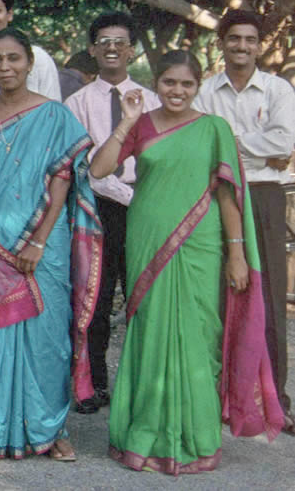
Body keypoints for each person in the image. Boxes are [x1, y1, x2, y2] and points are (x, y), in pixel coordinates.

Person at [94, 50, 284, 474]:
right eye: (169, 82)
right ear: (155, 83)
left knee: (199, 333)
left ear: (198, 86)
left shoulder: (214, 128)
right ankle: (146, 433)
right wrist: (125, 121)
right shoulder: (141, 124)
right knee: (151, 331)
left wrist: (237, 254)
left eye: (186, 84)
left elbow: (227, 196)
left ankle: (195, 437)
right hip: (148, 238)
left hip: (201, 243)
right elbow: (100, 169)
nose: (177, 91)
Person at [0, 28, 101, 462]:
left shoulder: (54, 115)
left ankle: (51, 429)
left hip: (44, 244)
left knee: (48, 337)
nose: (5, 67)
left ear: (30, 63)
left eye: (14, 58)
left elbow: (62, 179)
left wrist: (38, 242)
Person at [193, 10, 295, 435]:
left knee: (268, 296)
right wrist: (260, 149)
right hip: (216, 195)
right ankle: (217, 397)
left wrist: (228, 144)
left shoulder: (277, 89)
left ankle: (276, 400)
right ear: (221, 43)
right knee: (216, 295)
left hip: (264, 196)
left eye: (250, 40)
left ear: (259, 45)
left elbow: (285, 141)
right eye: (234, 38)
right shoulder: (204, 90)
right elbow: (198, 142)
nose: (242, 46)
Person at [62, 12, 159, 414]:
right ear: (92, 49)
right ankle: (94, 383)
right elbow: (84, 166)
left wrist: (141, 198)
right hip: (98, 207)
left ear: (132, 50)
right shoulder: (77, 103)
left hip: (147, 205)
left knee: (144, 294)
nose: (113, 48)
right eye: (105, 42)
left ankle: (143, 386)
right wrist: (126, 195)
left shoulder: (153, 100)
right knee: (96, 298)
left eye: (121, 42)